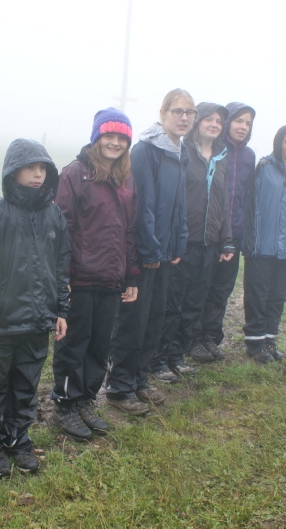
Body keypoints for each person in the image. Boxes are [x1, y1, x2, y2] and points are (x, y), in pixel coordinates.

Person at [0, 139, 70, 477]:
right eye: (30, 168)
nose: (38, 174)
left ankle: (17, 438)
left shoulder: (54, 215)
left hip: (38, 322)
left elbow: (61, 267)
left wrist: (61, 310)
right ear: (13, 172)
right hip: (0, 325)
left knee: (26, 385)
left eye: (43, 168)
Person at [50, 108, 139, 441]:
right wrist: (64, 278)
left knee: (100, 346)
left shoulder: (127, 179)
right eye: (109, 136)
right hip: (81, 278)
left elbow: (129, 230)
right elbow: (63, 228)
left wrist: (131, 276)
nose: (115, 143)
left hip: (112, 278)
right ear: (96, 138)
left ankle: (86, 400)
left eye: (121, 138)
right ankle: (65, 403)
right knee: (74, 344)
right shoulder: (75, 174)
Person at [105, 88, 194, 415]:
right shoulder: (146, 151)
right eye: (177, 111)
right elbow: (142, 205)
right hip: (146, 255)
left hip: (166, 253)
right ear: (163, 113)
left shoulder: (179, 151)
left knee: (154, 319)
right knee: (133, 320)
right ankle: (120, 387)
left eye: (189, 112)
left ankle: (140, 381)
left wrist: (178, 241)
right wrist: (151, 250)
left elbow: (179, 204)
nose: (184, 118)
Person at [153, 103, 235, 377]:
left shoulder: (221, 158)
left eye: (218, 121)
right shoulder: (183, 152)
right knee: (172, 303)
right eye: (208, 119)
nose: (214, 124)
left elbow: (224, 202)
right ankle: (158, 359)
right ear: (197, 123)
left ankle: (177, 356)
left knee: (194, 304)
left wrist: (226, 239)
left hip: (209, 244)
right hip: (182, 242)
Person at [241, 125, 286, 363]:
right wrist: (250, 241)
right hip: (262, 246)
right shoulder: (264, 168)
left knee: (278, 296)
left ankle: (270, 341)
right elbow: (250, 205)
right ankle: (255, 343)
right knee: (258, 295)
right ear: (279, 143)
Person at [194, 103, 257, 360]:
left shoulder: (249, 157)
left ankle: (210, 337)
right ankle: (193, 339)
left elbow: (247, 197)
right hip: (210, 233)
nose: (243, 127)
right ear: (228, 122)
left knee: (221, 290)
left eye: (248, 123)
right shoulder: (216, 150)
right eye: (239, 121)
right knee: (202, 287)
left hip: (235, 234)